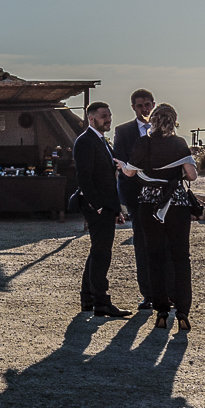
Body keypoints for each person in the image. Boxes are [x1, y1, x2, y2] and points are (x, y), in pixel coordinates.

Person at [118, 102, 205, 333]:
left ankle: (161, 311)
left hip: (149, 204)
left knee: (154, 256)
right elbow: (192, 175)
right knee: (180, 256)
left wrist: (122, 165)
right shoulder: (179, 143)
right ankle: (183, 310)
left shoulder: (143, 142)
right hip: (176, 203)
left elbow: (129, 172)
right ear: (174, 121)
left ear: (153, 121)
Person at [73, 102, 129, 317]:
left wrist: (117, 209)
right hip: (96, 206)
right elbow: (84, 178)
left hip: (106, 206)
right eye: (104, 116)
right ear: (91, 118)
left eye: (109, 115)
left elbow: (108, 179)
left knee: (98, 251)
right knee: (102, 254)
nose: (108, 119)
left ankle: (88, 298)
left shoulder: (102, 141)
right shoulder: (85, 141)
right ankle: (101, 302)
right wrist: (96, 206)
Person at [110, 89, 157, 311]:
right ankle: (148, 294)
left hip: (162, 196)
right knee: (142, 243)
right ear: (133, 107)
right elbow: (119, 162)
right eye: (140, 106)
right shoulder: (124, 131)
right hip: (136, 197)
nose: (144, 109)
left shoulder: (163, 129)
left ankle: (167, 292)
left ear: (153, 104)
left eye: (147, 104)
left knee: (165, 244)